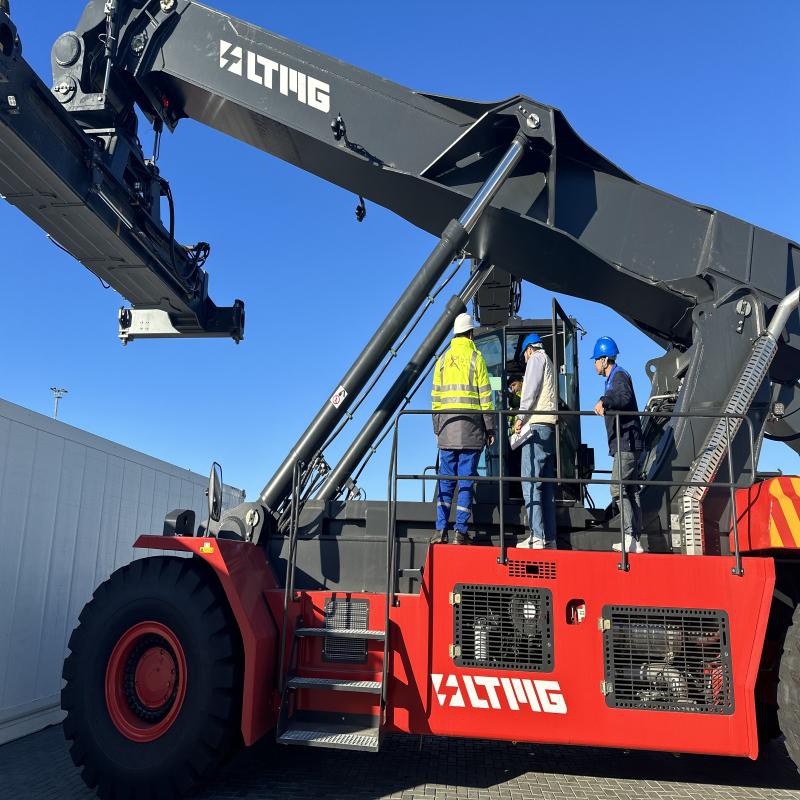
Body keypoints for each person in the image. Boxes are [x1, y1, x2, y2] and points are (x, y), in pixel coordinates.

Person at [431, 313, 495, 544]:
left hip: (447, 430)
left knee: (446, 479)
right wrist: (490, 429)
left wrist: (438, 427)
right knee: (466, 479)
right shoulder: (476, 358)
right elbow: (485, 398)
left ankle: (440, 530)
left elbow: (435, 399)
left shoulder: (442, 360)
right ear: (470, 334)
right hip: (471, 431)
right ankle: (460, 531)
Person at [592, 336, 645, 554]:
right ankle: (635, 540)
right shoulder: (615, 377)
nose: (594, 364)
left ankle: (629, 536)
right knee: (631, 490)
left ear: (604, 359)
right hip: (628, 442)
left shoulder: (619, 376)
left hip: (627, 443)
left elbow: (622, 396)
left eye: (596, 360)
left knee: (617, 486)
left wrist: (604, 400)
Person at [514, 333, 558, 549]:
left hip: (537, 427)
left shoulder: (536, 358)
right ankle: (549, 538)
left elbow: (529, 390)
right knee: (545, 487)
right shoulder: (548, 360)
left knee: (530, 481)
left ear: (528, 349)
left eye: (524, 356)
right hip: (548, 427)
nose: (525, 361)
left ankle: (537, 536)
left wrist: (520, 417)